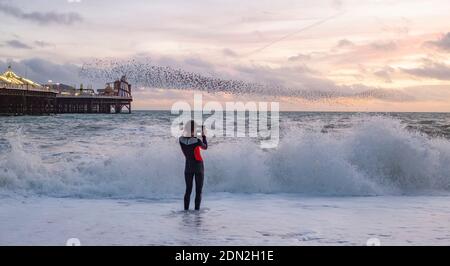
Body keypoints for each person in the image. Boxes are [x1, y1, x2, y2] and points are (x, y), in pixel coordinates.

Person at [179, 120, 208, 210]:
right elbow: (205, 146)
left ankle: (186, 211)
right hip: (198, 167)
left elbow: (190, 140)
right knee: (198, 191)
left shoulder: (181, 140)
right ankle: (197, 213)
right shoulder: (197, 141)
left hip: (188, 167)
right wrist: (203, 135)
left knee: (188, 190)